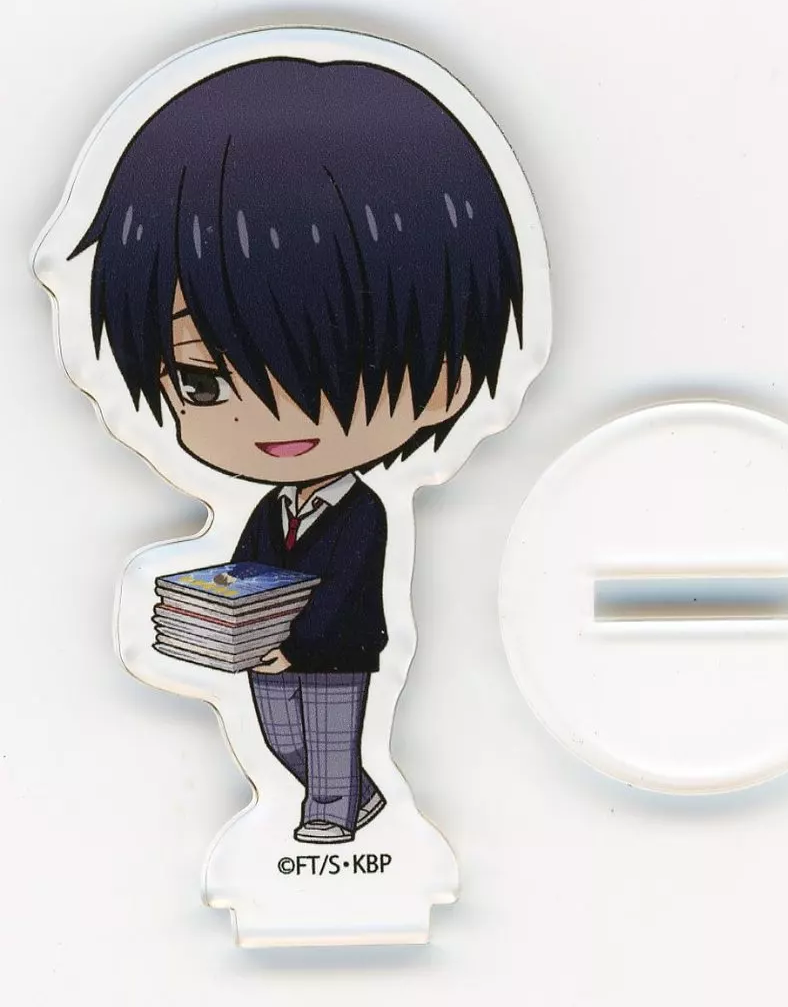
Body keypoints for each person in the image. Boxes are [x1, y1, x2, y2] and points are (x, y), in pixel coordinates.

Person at [70, 57, 523, 843]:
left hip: (337, 652)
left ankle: (334, 820)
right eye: (205, 381)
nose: (277, 414)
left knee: (330, 744)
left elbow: (348, 588)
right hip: (266, 655)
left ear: (446, 379)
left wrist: (292, 644)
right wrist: (225, 623)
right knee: (283, 744)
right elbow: (248, 569)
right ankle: (354, 800)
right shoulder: (269, 511)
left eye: (345, 367)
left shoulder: (363, 513)